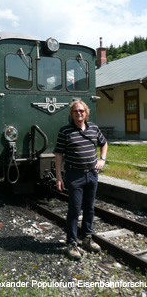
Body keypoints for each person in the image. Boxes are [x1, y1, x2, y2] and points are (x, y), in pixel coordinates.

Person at [54, 99, 108, 260]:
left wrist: (102, 159)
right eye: (76, 111)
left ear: (86, 113)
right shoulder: (65, 131)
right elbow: (58, 155)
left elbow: (104, 143)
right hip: (74, 175)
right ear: (72, 114)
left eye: (81, 111)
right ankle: (71, 243)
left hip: (92, 174)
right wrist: (58, 176)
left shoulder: (94, 128)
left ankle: (87, 239)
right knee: (75, 209)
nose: (79, 113)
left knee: (90, 208)